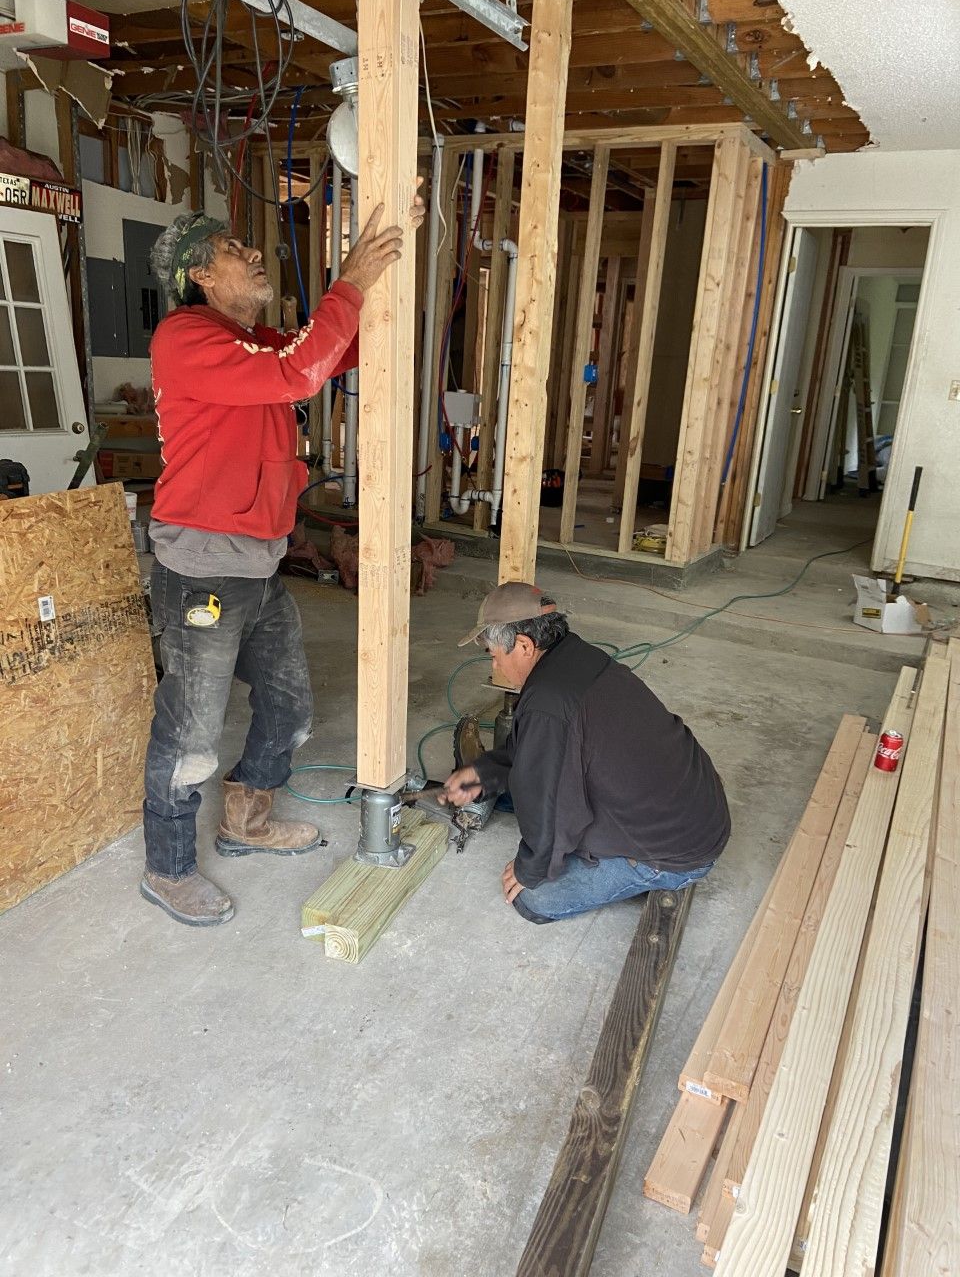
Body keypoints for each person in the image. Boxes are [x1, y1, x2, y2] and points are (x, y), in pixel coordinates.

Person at [141, 191, 425, 927]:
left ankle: (246, 818)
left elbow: (325, 353)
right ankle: (168, 869)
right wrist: (353, 279)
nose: (254, 253)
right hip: (202, 566)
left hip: (257, 561)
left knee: (291, 704)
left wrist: (387, 283)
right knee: (192, 732)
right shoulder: (185, 336)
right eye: (236, 248)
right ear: (202, 275)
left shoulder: (253, 340)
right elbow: (301, 374)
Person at [441, 583, 730, 923]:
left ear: (523, 645)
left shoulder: (548, 703)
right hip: (698, 812)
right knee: (530, 792)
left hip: (679, 851)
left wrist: (529, 868)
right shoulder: (576, 657)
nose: (496, 665)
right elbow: (539, 747)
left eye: (494, 654)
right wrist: (484, 773)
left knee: (535, 898)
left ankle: (648, 872)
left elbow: (555, 807)